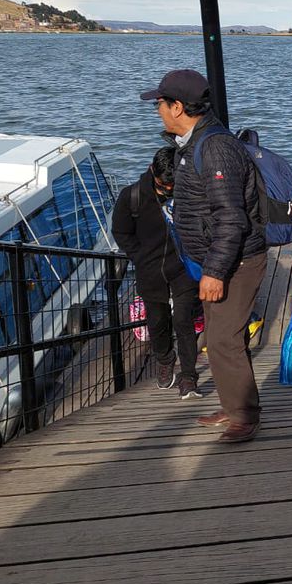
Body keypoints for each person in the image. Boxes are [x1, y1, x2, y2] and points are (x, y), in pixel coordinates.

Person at [141, 69, 267, 443]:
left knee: (225, 338)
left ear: (178, 106)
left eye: (160, 103)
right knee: (217, 334)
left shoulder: (213, 147)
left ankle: (245, 415)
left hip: (235, 261)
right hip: (217, 260)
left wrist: (214, 271)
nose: (157, 110)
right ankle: (233, 407)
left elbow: (231, 216)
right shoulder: (193, 143)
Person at [111, 146, 202, 399]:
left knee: (184, 320)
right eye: (164, 184)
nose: (169, 189)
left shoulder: (191, 193)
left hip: (184, 267)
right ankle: (164, 359)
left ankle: (188, 376)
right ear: (153, 171)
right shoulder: (132, 197)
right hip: (150, 270)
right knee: (157, 320)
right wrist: (139, 255)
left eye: (173, 184)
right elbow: (120, 232)